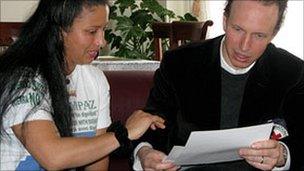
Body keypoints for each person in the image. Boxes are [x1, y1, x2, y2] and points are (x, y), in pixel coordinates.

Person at [133, 0, 304, 170]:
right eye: (238, 29)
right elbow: (152, 123)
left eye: (259, 35)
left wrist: (283, 155)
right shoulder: (179, 63)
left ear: (273, 34)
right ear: (224, 21)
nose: (244, 46)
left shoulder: (292, 72)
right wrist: (145, 152)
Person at [0, 0, 165, 170]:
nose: (102, 42)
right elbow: (52, 157)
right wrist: (123, 134)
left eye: (104, 30)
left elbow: (97, 165)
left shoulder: (95, 79)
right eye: (92, 31)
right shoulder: (23, 80)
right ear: (59, 30)